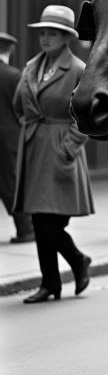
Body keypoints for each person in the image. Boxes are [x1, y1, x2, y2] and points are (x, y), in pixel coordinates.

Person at [14, 4, 94, 303]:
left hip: (61, 150)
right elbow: (18, 105)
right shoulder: (31, 67)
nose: (45, 38)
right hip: (35, 148)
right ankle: (50, 284)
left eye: (53, 33)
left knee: (50, 223)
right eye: (43, 33)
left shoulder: (78, 70)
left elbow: (86, 118)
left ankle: (77, 260)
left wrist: (68, 148)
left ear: (66, 38)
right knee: (38, 220)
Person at [0, 32, 34, 242]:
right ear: (10, 50)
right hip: (9, 138)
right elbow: (26, 109)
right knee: (11, 184)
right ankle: (26, 228)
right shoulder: (15, 75)